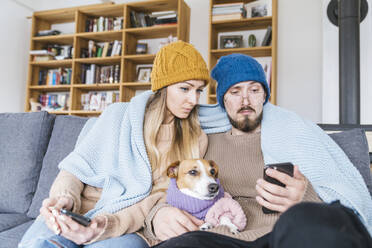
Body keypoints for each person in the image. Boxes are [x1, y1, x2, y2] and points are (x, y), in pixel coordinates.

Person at [148, 54, 372, 247]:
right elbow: (170, 188)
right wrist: (156, 216)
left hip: (282, 233)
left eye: (254, 90)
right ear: (222, 101)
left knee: (309, 223)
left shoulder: (291, 136)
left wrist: (306, 197)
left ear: (264, 96)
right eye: (235, 92)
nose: (245, 100)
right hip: (219, 236)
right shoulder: (204, 141)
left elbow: (339, 198)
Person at [18, 41, 210, 248]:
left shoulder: (195, 139)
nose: (193, 99)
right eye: (185, 88)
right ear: (163, 87)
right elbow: (73, 171)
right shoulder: (117, 116)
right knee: (40, 244)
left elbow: (160, 200)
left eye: (199, 90)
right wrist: (64, 199)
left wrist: (105, 225)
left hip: (131, 225)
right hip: (80, 211)